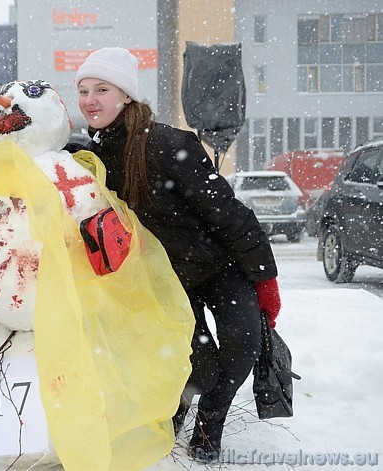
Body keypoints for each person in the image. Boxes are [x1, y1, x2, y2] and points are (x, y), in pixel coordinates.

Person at [73, 47, 281, 462]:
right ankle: (176, 410)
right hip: (166, 282)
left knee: (243, 345)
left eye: (102, 89)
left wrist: (264, 279)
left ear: (126, 96)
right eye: (83, 90)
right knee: (196, 365)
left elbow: (227, 212)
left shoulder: (168, 144)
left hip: (219, 267)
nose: (90, 100)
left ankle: (211, 418)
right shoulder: (88, 159)